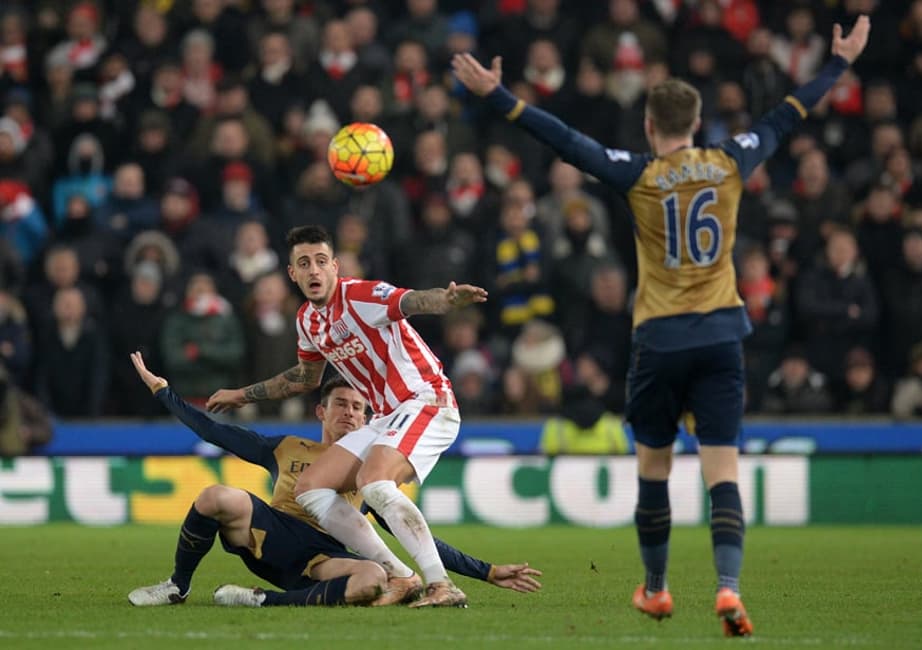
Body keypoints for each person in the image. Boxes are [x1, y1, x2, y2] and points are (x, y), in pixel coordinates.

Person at [453, 14, 871, 637]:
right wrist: (838, 64)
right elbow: (788, 113)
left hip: (659, 340)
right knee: (722, 471)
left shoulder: (638, 173)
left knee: (654, 469)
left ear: (650, 126)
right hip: (722, 337)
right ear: (696, 123)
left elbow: (567, 142)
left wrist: (500, 97)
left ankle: (655, 589)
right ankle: (728, 588)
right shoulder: (731, 161)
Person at [206, 225, 488, 608]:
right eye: (304, 263)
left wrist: (446, 299)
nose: (314, 270)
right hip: (386, 416)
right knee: (310, 486)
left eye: (321, 261)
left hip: (426, 400)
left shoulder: (360, 295)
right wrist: (242, 395)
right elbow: (306, 378)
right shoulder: (307, 321)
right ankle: (400, 576)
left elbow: (411, 301)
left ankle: (441, 584)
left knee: (373, 482)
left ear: (334, 267)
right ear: (292, 273)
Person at [127, 353, 541, 608]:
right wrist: (164, 393)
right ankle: (177, 586)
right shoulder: (286, 447)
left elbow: (417, 536)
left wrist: (487, 571)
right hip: (273, 531)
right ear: (321, 412)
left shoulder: (371, 469)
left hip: (324, 556)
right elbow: (215, 432)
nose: (350, 413)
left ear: (368, 420)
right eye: (341, 404)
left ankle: (261, 601)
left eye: (359, 408)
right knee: (215, 496)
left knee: (373, 578)